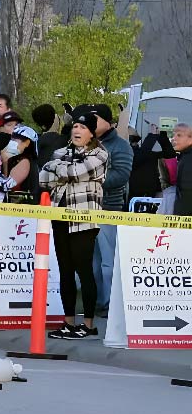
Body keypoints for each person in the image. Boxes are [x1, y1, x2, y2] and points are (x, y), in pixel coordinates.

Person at [41, 111, 108, 340]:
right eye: (75, 126)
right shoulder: (61, 152)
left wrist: (58, 167)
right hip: (59, 214)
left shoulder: (100, 153)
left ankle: (88, 324)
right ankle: (68, 323)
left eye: (82, 127)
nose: (77, 130)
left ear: (91, 133)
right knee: (65, 271)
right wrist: (61, 169)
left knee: (84, 269)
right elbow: (43, 178)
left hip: (84, 219)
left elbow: (76, 172)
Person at [80, 104, 133, 317]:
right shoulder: (85, 143)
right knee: (91, 261)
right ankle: (97, 302)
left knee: (108, 262)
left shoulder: (120, 146)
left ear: (106, 121)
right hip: (84, 208)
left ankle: (111, 303)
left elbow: (121, 175)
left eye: (94, 119)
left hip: (108, 208)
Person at [129, 124, 175, 201]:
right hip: (135, 198)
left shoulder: (145, 152)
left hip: (152, 196)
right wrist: (152, 135)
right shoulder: (126, 153)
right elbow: (139, 158)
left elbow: (170, 154)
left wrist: (162, 136)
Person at [0, 125, 40, 204]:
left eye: (15, 139)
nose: (11, 142)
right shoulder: (15, 160)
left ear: (27, 143)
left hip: (21, 209)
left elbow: (8, 186)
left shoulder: (25, 162)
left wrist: (4, 162)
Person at [171, 123, 192, 216]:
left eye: (179, 135)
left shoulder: (189, 159)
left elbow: (187, 194)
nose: (174, 138)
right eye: (174, 134)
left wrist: (179, 221)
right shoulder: (185, 156)